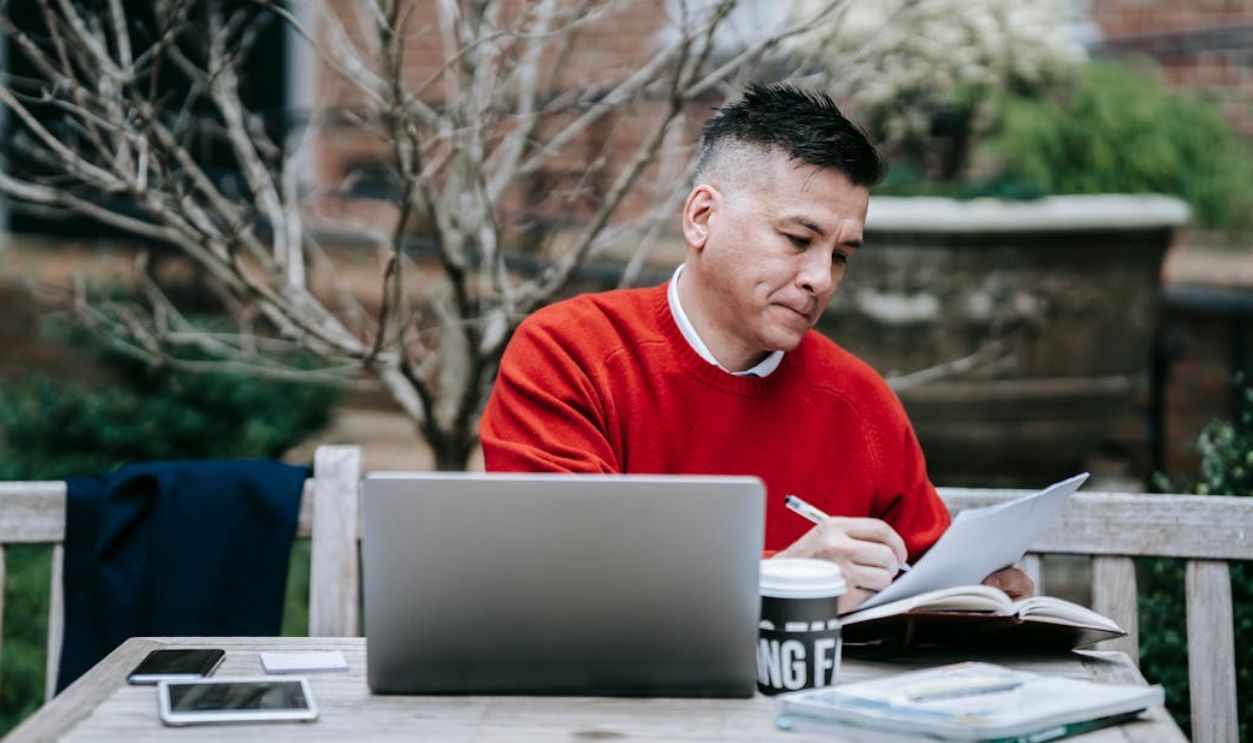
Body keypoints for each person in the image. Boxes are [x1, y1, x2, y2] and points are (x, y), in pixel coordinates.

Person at [480, 84, 1031, 612]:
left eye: (841, 255)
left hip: (817, 702)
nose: (821, 279)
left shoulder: (860, 400)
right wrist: (785, 576)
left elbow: (925, 576)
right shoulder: (570, 353)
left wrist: (977, 591)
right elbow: (561, 563)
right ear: (702, 218)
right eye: (798, 240)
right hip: (609, 700)